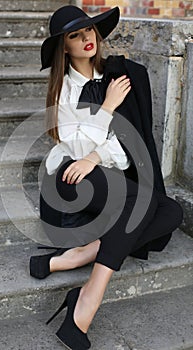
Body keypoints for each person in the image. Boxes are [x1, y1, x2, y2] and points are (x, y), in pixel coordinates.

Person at [29, 5, 183, 350]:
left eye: (88, 31)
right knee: (138, 202)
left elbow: (125, 147)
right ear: (63, 48)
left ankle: (75, 257)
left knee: (172, 212)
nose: (86, 39)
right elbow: (76, 145)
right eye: (75, 36)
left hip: (103, 175)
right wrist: (108, 110)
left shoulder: (118, 77)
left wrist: (96, 155)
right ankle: (88, 300)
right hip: (69, 180)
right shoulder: (63, 91)